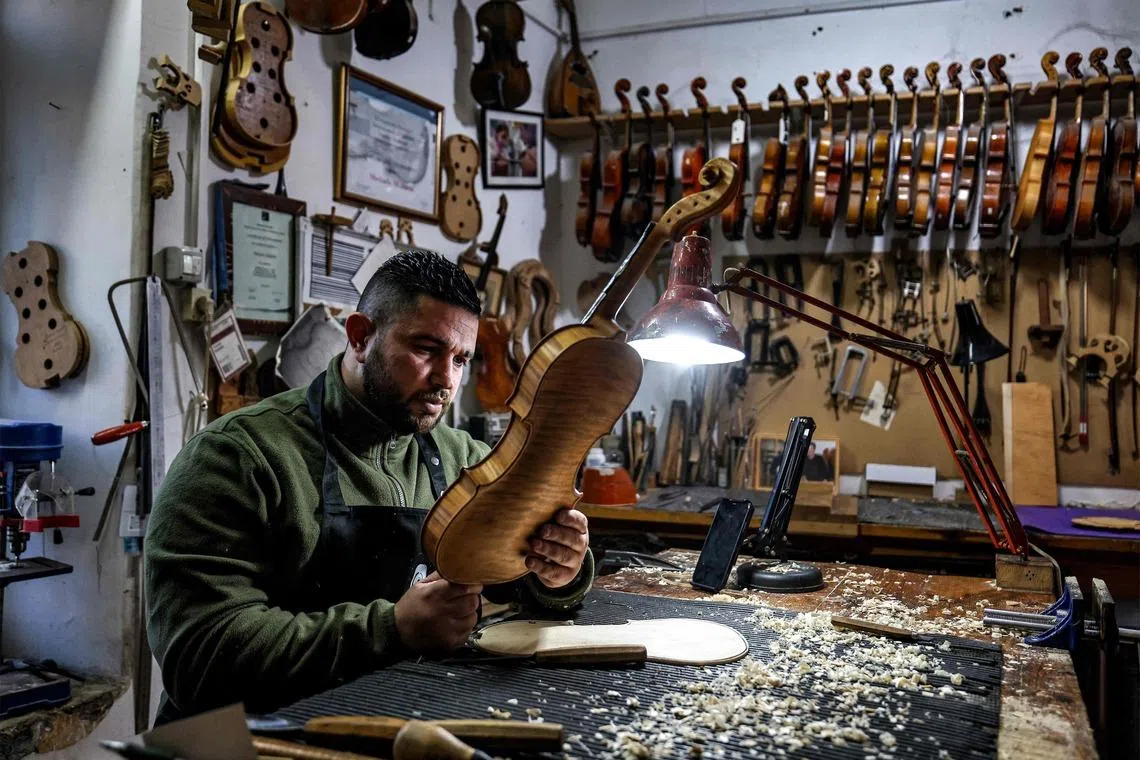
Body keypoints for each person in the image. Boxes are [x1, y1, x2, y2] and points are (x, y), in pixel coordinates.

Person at [144, 250, 595, 724]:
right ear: (360, 336)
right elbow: (197, 656)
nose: (446, 379)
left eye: (461, 358)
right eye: (426, 349)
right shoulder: (237, 457)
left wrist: (559, 570)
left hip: (390, 722)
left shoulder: (467, 460)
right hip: (244, 740)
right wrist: (391, 629)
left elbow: (526, 578)